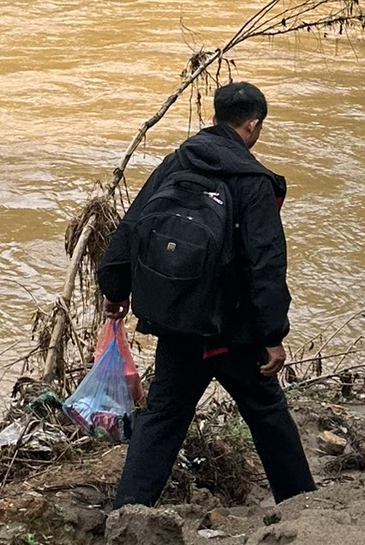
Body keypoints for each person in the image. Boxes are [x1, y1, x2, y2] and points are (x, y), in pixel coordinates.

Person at [100, 79, 316, 509]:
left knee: (162, 417)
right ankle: (300, 505)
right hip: (231, 332)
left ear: (213, 118)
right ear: (253, 125)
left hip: (178, 322)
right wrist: (273, 334)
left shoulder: (176, 163)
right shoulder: (254, 181)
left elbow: (132, 227)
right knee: (266, 411)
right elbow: (266, 264)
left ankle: (128, 511)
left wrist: (115, 291)